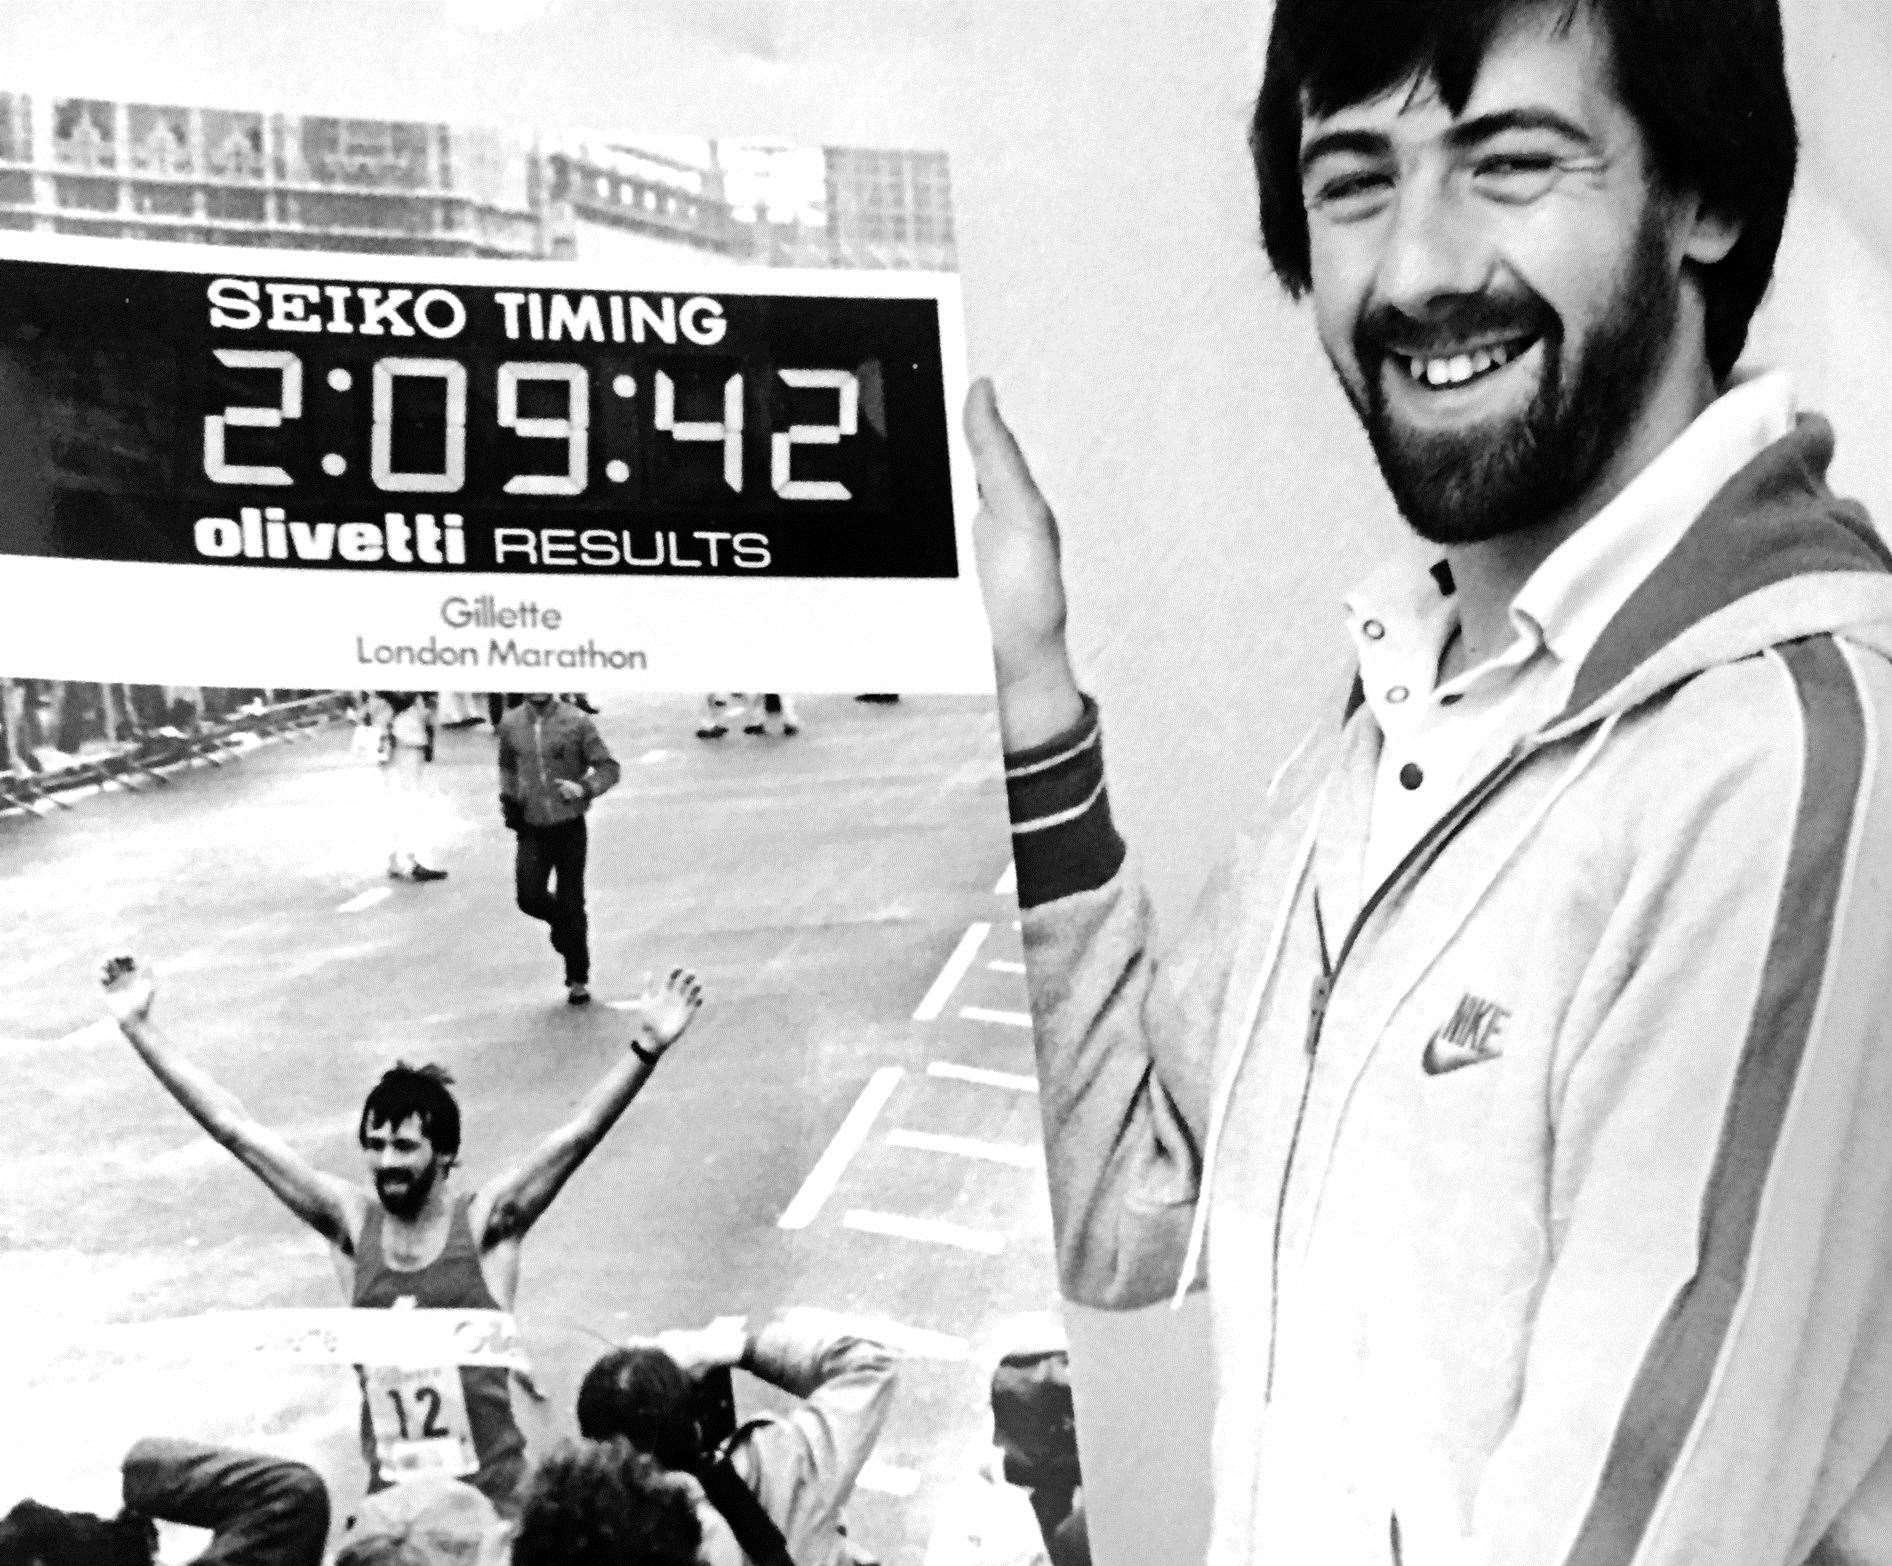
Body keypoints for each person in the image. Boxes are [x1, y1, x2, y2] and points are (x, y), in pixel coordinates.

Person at [968, 0, 1892, 1561]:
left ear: (1708, 199)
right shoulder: (1407, 707)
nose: (1415, 268)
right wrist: (1028, 682)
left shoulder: (1786, 766)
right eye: (1352, 181)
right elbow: (1133, 1202)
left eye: (1511, 160)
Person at [100, 954, 704, 1515]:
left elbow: (576, 1137)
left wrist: (646, 1048)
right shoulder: (348, 1226)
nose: (386, 1161)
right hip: (396, 1517)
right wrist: (139, 1029)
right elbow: (236, 1131)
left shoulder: (489, 1227)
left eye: (405, 1146)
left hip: (491, 1513)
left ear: (445, 1157)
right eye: (376, 1144)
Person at [573, 1311, 896, 1566]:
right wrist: (739, 1349)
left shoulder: (586, 1533)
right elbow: (869, 1364)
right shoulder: (779, 1466)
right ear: (695, 1429)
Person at [497, 691, 621, 1005]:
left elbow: (609, 768)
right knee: (529, 897)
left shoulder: (577, 721)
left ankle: (578, 978)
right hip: (531, 827)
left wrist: (584, 788)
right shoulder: (511, 723)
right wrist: (510, 806)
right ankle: (559, 924)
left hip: (569, 827)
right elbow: (507, 770)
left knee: (572, 900)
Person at [372, 693, 447, 883]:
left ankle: (396, 859)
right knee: (408, 802)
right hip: (403, 739)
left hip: (392, 738)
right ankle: (409, 861)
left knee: (397, 799)